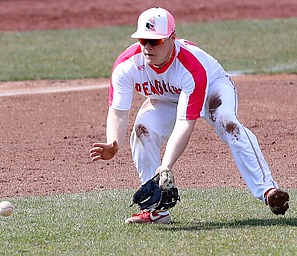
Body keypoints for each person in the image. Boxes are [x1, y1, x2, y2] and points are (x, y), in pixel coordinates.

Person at [89, 7, 289, 224]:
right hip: (167, 97)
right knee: (142, 130)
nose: (147, 47)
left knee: (228, 123)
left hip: (212, 87)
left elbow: (185, 123)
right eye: (143, 40)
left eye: (155, 41)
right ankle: (156, 211)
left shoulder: (190, 67)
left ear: (172, 38)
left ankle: (268, 190)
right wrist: (113, 142)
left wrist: (165, 166)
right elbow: (118, 111)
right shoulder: (126, 66)